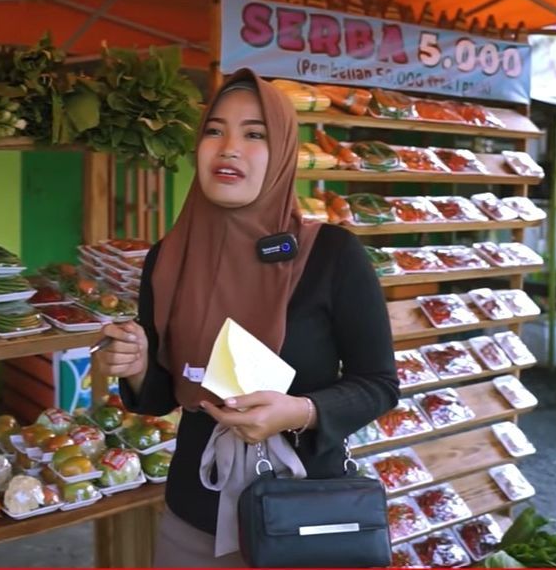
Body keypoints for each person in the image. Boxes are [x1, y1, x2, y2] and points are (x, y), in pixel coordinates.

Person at [90, 67, 398, 567]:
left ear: (281, 154)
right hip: (195, 513)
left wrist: (298, 411)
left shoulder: (331, 256)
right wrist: (139, 363)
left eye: (254, 134)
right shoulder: (168, 259)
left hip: (302, 515)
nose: (229, 147)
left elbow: (379, 384)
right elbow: (166, 394)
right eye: (215, 130)